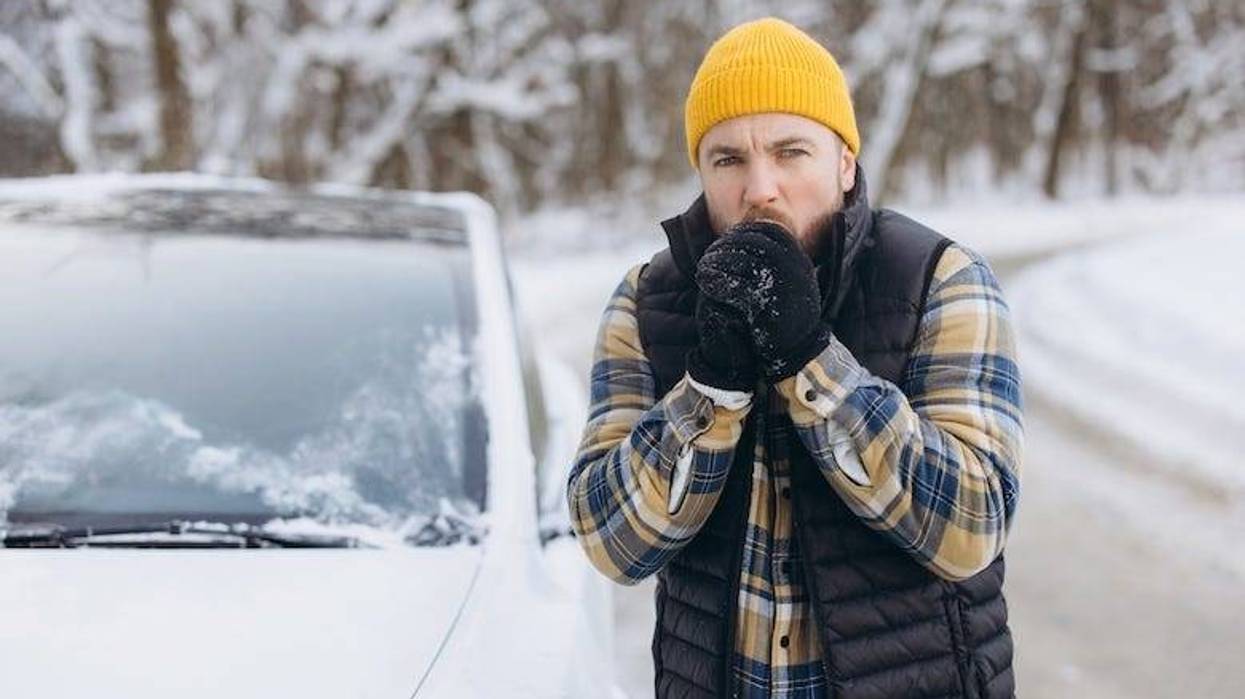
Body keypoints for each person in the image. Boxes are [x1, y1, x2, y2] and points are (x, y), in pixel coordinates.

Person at [566, 16, 1024, 699]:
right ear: (701, 172)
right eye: (728, 159)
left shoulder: (940, 279)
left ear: (843, 163)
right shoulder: (646, 301)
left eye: (790, 151)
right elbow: (612, 543)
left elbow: (967, 526)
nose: (759, 188)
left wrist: (810, 361)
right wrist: (710, 389)